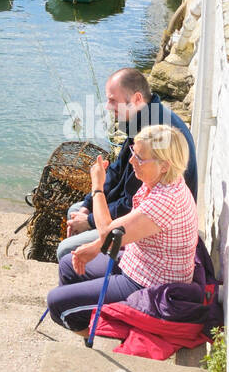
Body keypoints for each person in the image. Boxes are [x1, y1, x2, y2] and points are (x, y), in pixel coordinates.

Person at [46, 125, 200, 333]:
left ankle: (99, 335)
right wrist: (95, 246)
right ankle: (86, 319)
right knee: (68, 265)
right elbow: (123, 231)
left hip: (149, 285)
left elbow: (108, 234)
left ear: (164, 165)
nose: (131, 161)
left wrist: (97, 187)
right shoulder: (161, 181)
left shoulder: (164, 201)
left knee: (56, 302)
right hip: (137, 262)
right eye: (133, 153)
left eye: (140, 158)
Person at [57, 68, 196, 261]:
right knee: (75, 210)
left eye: (113, 100)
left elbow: (130, 204)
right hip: (135, 208)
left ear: (137, 98)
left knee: (65, 250)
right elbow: (116, 170)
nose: (107, 106)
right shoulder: (143, 117)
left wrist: (89, 221)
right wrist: (88, 205)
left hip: (153, 225)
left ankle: (85, 272)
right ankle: (85, 267)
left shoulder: (152, 133)